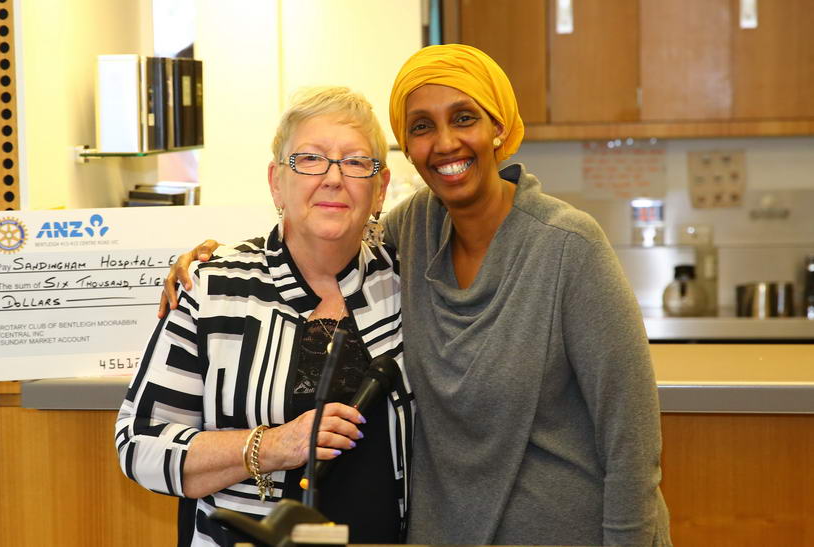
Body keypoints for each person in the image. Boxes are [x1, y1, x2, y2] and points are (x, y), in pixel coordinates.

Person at [161, 45, 672, 546]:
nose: (445, 142)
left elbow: (632, 439)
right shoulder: (413, 230)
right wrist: (221, 260)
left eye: (464, 118)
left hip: (563, 531)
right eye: (422, 126)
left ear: (499, 127)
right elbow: (325, 229)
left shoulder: (568, 246)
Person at [116, 87, 415, 547]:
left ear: (380, 188)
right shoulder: (214, 289)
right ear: (277, 181)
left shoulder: (408, 281)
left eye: (356, 162)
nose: (334, 178)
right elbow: (139, 445)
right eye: (310, 159)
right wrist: (273, 445)